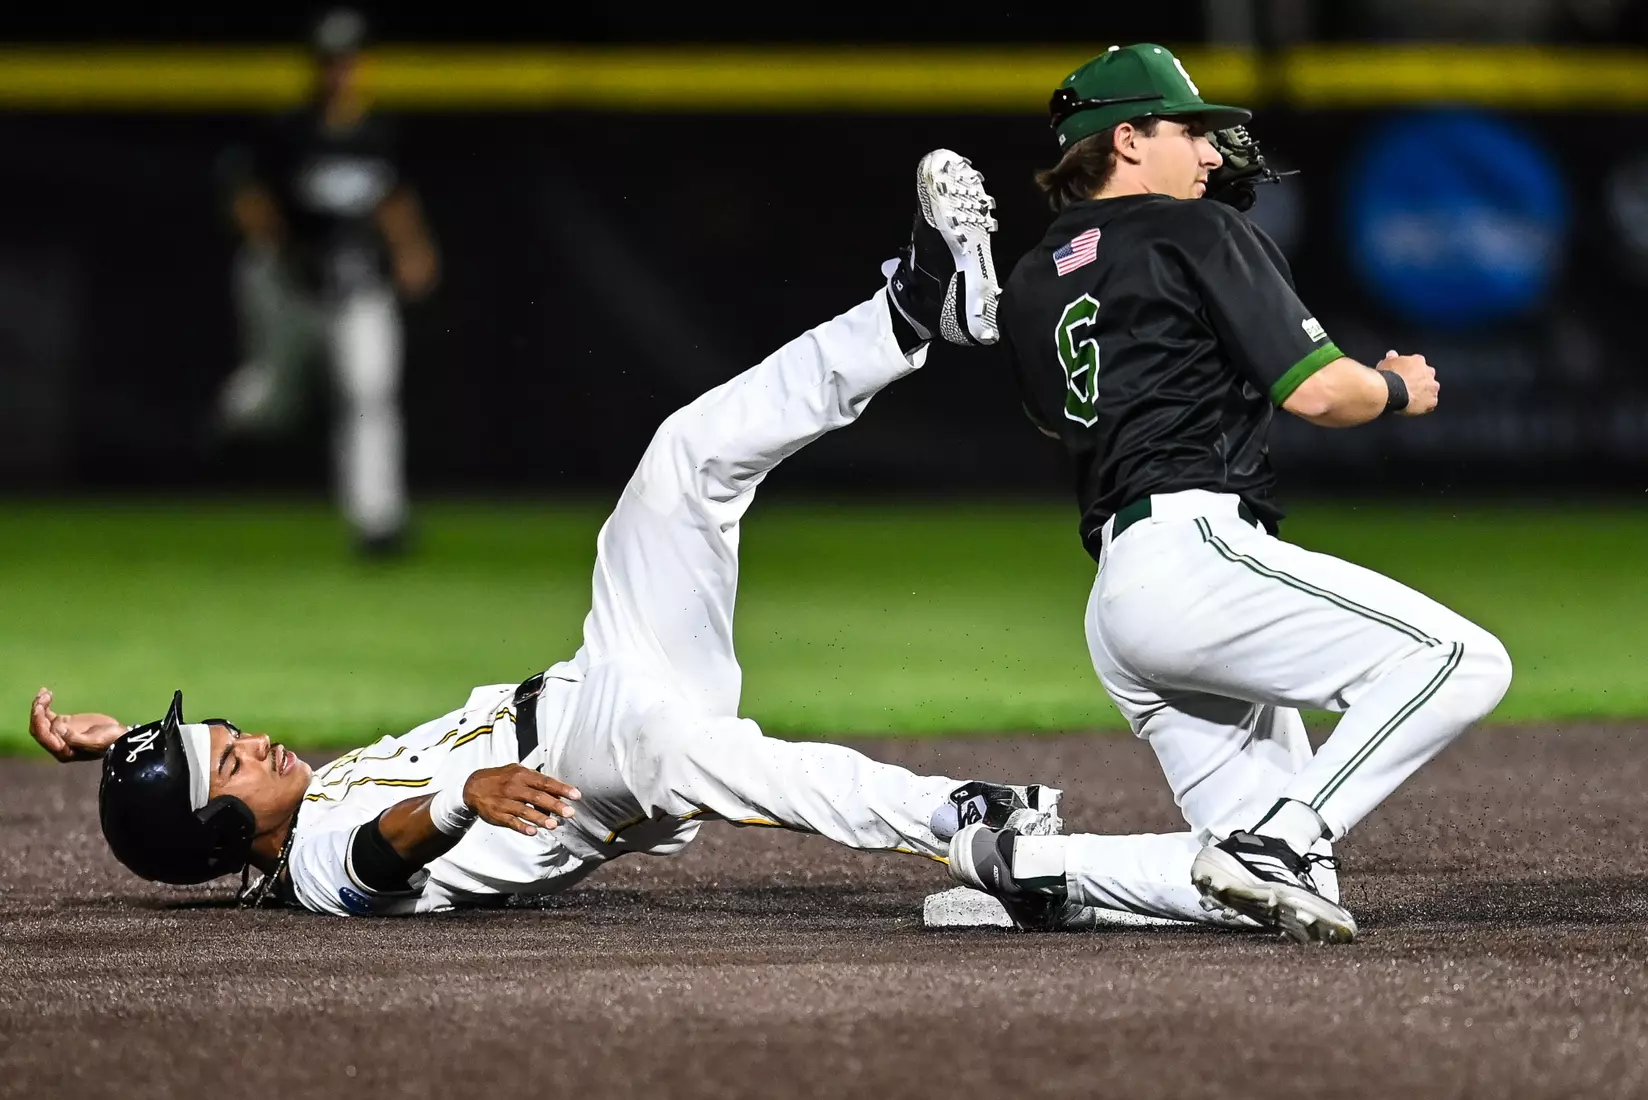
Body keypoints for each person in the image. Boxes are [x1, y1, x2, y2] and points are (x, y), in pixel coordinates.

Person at [31, 150, 1068, 917]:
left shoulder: (288, 811)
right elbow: (379, 857)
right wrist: (458, 799)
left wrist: (124, 741)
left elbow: (237, 813)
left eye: (229, 730)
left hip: (603, 668)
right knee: (730, 761)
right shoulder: (311, 864)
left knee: (685, 458)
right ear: (225, 832)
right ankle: (966, 817)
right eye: (235, 763)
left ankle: (910, 309)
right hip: (585, 765)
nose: (253, 738)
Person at [944, 44, 1513, 944]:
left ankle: (1038, 868)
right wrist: (1399, 385)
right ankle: (1282, 840)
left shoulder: (1027, 282)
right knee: (1459, 660)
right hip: (1195, 556)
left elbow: (1059, 423)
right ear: (1126, 139)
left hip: (1120, 600)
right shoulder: (1193, 230)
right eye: (1192, 130)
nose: (1213, 153)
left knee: (1277, 892)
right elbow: (1320, 392)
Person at [213, 9, 437, 557]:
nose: (339, 72)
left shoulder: (379, 133)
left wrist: (413, 249)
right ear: (317, 67)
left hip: (358, 286)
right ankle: (227, 421)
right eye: (330, 62)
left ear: (361, 65)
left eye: (348, 60)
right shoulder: (288, 129)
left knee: (370, 396)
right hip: (291, 286)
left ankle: (378, 523)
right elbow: (247, 195)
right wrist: (277, 242)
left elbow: (394, 198)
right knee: (272, 401)